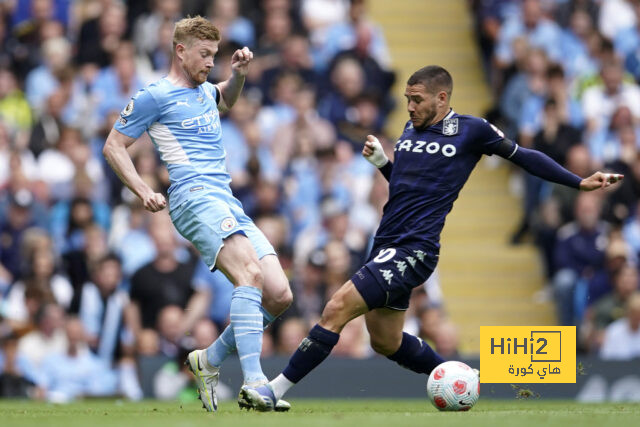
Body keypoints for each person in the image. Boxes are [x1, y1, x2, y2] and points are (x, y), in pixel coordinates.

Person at [240, 65, 624, 410]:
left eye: (417, 99)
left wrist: (577, 182)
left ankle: (274, 389)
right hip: (386, 243)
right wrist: (383, 165)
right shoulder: (409, 131)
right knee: (385, 342)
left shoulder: (473, 130)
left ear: (442, 98)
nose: (409, 106)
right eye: (407, 99)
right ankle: (463, 378)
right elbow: (407, 188)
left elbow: (523, 156)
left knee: (336, 307)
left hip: (415, 248)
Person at [102, 16, 293, 412]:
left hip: (225, 198)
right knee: (250, 276)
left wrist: (237, 75)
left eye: (214, 55)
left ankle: (208, 360)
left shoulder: (206, 91)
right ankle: (256, 382)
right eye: (204, 54)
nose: (210, 62)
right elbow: (113, 146)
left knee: (278, 295)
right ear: (180, 50)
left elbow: (227, 98)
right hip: (192, 197)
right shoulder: (154, 95)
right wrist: (143, 190)